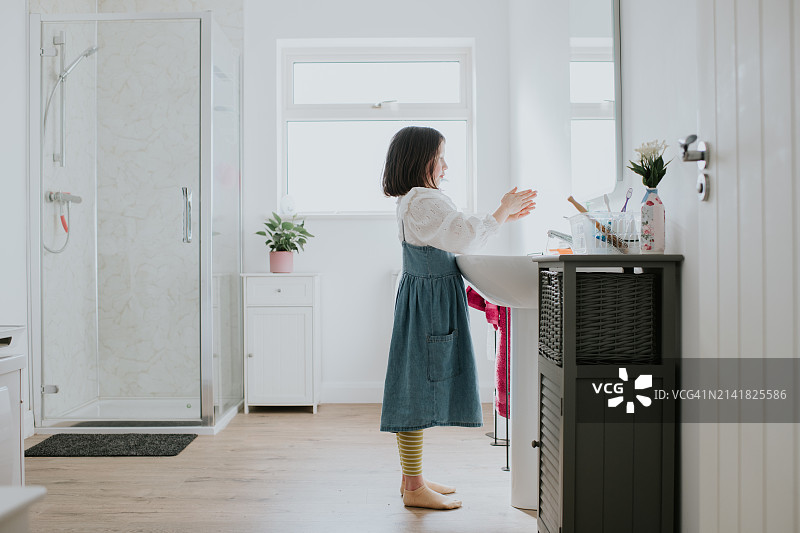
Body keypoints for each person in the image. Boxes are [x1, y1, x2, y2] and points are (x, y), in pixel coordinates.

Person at [379, 126, 536, 510]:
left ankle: (410, 478)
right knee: (415, 387)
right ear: (422, 160)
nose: (445, 165)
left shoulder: (417, 199)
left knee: (416, 380)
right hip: (429, 300)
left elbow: (457, 233)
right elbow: (464, 235)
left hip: (427, 296)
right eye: (440, 156)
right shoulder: (422, 200)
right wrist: (501, 211)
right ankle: (414, 487)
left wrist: (501, 218)